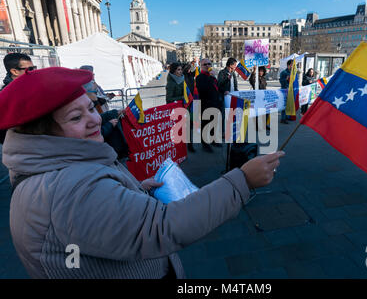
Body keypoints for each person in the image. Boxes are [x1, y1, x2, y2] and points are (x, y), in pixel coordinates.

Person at [0, 67, 285, 279]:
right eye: (76, 118)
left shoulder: (59, 170)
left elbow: (96, 221)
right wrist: (242, 181)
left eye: (91, 108)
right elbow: (164, 226)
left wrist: (135, 190)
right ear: (44, 134)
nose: (95, 120)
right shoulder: (69, 190)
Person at [1, 53, 36, 144]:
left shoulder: (29, 86)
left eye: (34, 68)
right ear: (14, 71)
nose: (34, 71)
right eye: (30, 69)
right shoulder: (7, 95)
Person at [196, 58, 221, 152]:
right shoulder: (200, 77)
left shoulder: (213, 77)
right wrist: (211, 77)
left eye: (209, 64)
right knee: (206, 125)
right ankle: (205, 144)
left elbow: (217, 88)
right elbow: (203, 89)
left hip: (215, 102)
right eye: (205, 64)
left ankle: (213, 139)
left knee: (214, 123)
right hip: (205, 104)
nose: (207, 66)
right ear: (201, 66)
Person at [217, 58, 239, 141]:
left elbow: (235, 84)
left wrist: (237, 92)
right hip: (224, 97)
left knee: (231, 114)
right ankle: (222, 132)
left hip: (232, 96)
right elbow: (219, 84)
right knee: (223, 115)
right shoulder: (222, 73)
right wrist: (227, 79)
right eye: (235, 65)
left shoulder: (233, 73)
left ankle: (230, 130)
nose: (235, 66)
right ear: (230, 65)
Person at [183, 62, 197, 153]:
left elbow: (195, 70)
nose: (189, 69)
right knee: (186, 125)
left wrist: (195, 63)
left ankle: (190, 143)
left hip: (192, 101)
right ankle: (189, 144)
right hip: (185, 102)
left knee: (191, 124)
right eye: (187, 68)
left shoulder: (191, 75)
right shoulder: (182, 77)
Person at [279, 60, 293, 124]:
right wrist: (286, 79)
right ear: (288, 65)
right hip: (285, 90)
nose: (293, 66)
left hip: (290, 90)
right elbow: (281, 81)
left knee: (289, 104)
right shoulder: (284, 72)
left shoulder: (292, 72)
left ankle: (287, 116)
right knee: (284, 105)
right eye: (292, 65)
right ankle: (283, 118)